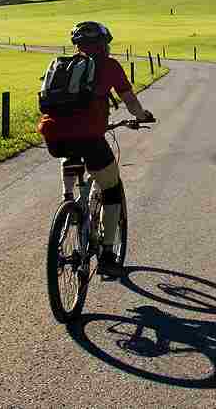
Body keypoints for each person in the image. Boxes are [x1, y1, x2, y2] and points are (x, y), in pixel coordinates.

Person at [39, 21, 155, 264]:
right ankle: (108, 253)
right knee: (111, 188)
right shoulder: (110, 66)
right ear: (105, 44)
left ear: (77, 45)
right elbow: (131, 104)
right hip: (90, 138)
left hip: (55, 137)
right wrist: (142, 116)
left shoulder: (63, 66)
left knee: (70, 151)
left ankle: (68, 198)